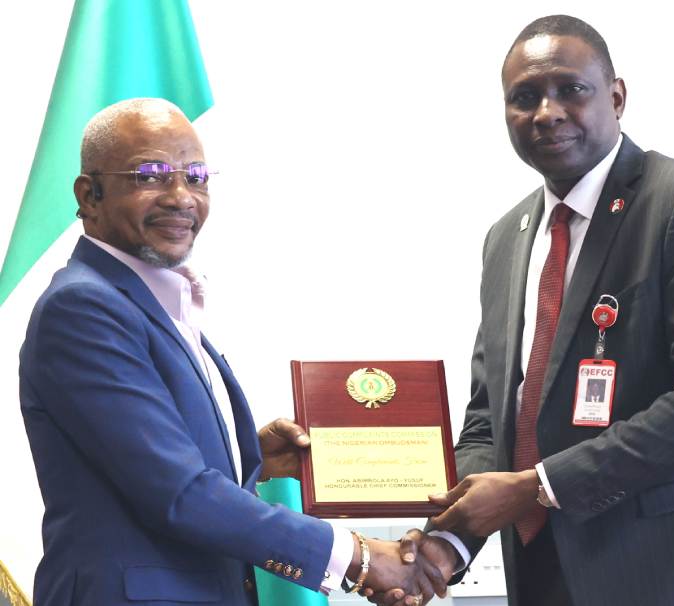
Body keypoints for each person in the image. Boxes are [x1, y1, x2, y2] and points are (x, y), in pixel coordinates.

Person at [379, 14, 674, 606]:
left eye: (571, 88)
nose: (547, 111)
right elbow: (494, 416)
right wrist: (445, 543)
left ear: (617, 97)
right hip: (544, 578)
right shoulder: (505, 238)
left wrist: (537, 488)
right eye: (524, 97)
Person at [19, 98, 444, 606]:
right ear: (90, 195)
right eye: (151, 175)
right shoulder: (83, 308)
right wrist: (359, 559)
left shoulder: (160, 302)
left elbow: (147, 457)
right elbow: (178, 493)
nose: (181, 197)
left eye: (196, 176)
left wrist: (252, 458)